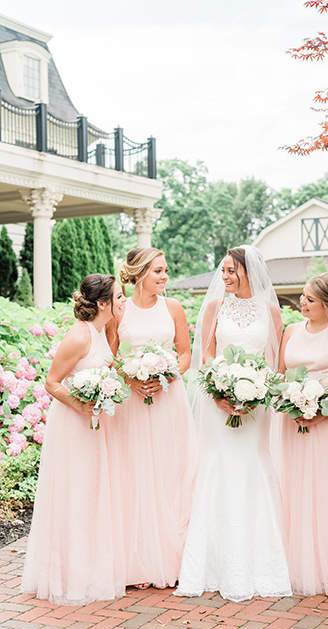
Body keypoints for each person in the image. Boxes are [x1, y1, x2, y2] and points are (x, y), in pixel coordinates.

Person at [175, 245, 292, 602]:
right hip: (218, 402)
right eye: (222, 271)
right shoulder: (215, 306)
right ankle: (211, 564)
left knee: (253, 467)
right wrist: (220, 390)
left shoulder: (271, 311)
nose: (224, 277)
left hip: (256, 408)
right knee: (219, 467)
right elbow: (205, 353)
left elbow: (275, 362)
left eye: (230, 271)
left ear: (248, 272)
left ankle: (258, 562)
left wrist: (256, 392)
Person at [21, 274, 127, 605]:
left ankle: (90, 568)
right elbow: (52, 382)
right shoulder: (79, 336)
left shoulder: (98, 330)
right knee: (76, 490)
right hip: (74, 423)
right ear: (102, 304)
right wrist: (82, 405)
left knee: (93, 492)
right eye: (119, 297)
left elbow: (110, 361)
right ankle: (67, 574)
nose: (124, 301)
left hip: (93, 423)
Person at [113, 247, 197, 590]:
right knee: (135, 472)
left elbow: (185, 353)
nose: (164, 277)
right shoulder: (121, 310)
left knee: (171, 470)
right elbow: (112, 355)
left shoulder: (172, 308)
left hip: (169, 399)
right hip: (132, 403)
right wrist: (131, 378)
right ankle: (141, 561)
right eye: (158, 271)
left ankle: (174, 558)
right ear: (139, 273)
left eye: (165, 270)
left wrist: (166, 375)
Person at [276, 273, 328, 597]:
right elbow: (280, 374)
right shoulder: (292, 330)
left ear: (327, 304)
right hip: (292, 421)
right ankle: (294, 558)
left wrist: (321, 411)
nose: (303, 303)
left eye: (310, 299)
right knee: (294, 484)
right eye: (304, 297)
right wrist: (290, 404)